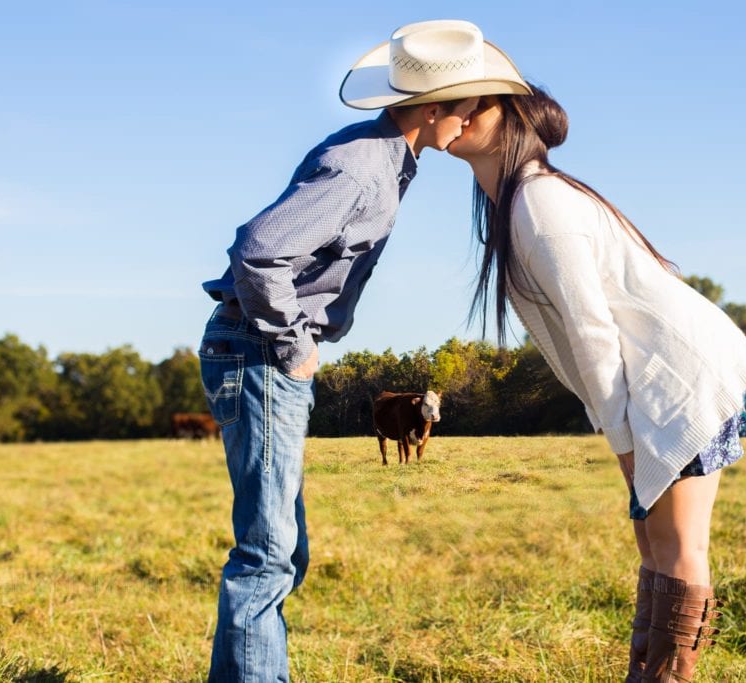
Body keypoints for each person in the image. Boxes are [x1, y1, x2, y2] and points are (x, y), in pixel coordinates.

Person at [198, 20, 529, 682]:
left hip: (259, 350)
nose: (470, 122)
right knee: (267, 554)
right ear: (434, 108)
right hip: (260, 352)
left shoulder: (386, 158)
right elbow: (257, 251)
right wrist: (294, 345)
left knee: (283, 553)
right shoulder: (359, 167)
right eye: (467, 107)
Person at [447, 86, 746, 682]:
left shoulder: (539, 204)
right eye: (455, 102)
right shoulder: (521, 199)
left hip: (680, 380)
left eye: (478, 105)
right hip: (656, 379)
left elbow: (592, 333)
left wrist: (624, 442)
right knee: (656, 552)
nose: (459, 113)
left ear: (515, 121)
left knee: (678, 552)